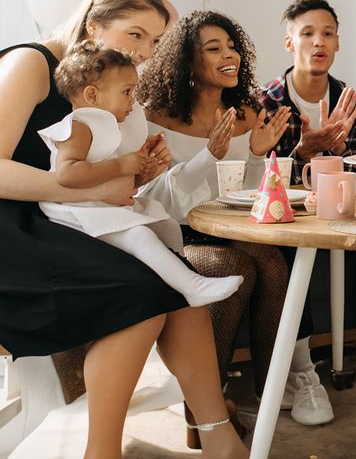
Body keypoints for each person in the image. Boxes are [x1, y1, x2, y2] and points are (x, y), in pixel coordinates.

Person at [0, 0, 249, 459]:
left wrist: (138, 171)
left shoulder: (107, 87)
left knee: (178, 285)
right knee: (143, 295)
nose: (144, 51)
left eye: (155, 41)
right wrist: (94, 189)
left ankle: (218, 436)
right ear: (93, 25)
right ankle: (103, 451)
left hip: (53, 220)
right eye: (136, 33)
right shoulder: (31, 64)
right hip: (11, 230)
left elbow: (97, 178)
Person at [256, 0, 356, 423]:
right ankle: (302, 369)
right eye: (307, 33)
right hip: (289, 219)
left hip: (344, 214)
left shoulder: (354, 103)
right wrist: (304, 152)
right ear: (290, 43)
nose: (318, 41)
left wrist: (344, 159)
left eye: (327, 33)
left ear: (339, 42)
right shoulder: (266, 102)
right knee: (289, 250)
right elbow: (257, 182)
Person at [137, 11, 291, 437]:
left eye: (231, 45)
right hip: (172, 234)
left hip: (225, 227)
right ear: (187, 62)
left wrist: (258, 154)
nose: (230, 55)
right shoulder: (155, 117)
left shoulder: (244, 114)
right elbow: (153, 200)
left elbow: (246, 198)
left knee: (274, 265)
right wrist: (210, 154)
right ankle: (203, 407)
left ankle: (272, 389)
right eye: (213, 48)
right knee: (233, 269)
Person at [39, 40, 243, 307]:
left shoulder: (103, 126)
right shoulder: (78, 126)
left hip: (98, 205)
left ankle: (183, 276)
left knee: (159, 221)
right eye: (126, 92)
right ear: (92, 96)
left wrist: (141, 166)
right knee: (139, 236)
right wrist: (122, 165)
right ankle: (194, 286)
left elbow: (103, 170)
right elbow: (67, 174)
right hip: (77, 214)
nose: (133, 100)